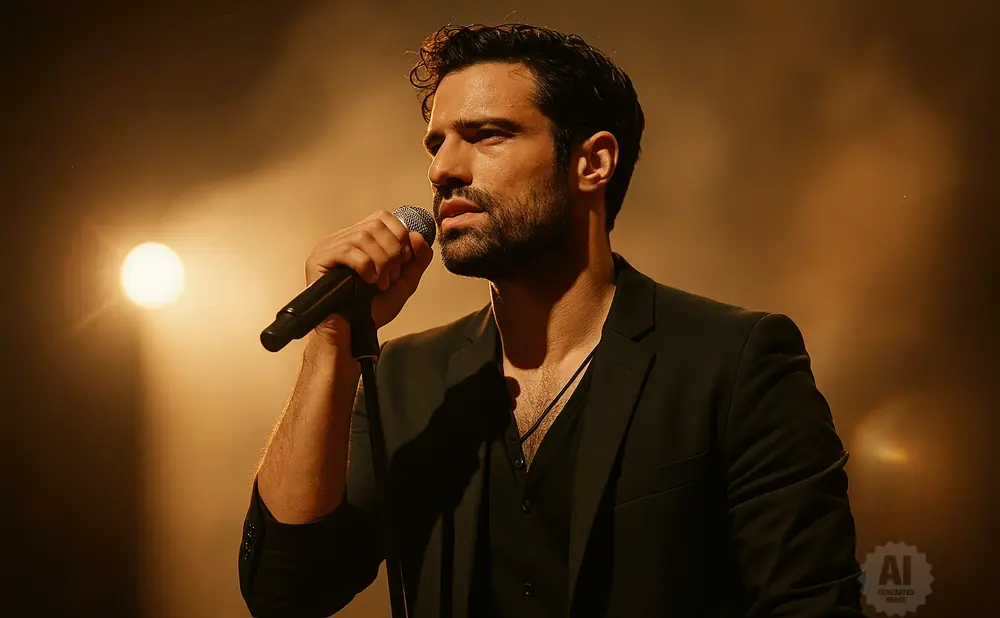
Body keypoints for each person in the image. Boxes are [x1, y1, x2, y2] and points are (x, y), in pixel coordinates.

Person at [238, 23, 864, 618]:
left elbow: (808, 603)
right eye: (436, 143)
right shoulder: (405, 378)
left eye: (486, 135)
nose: (442, 170)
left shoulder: (733, 360)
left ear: (593, 162)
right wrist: (332, 341)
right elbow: (285, 593)